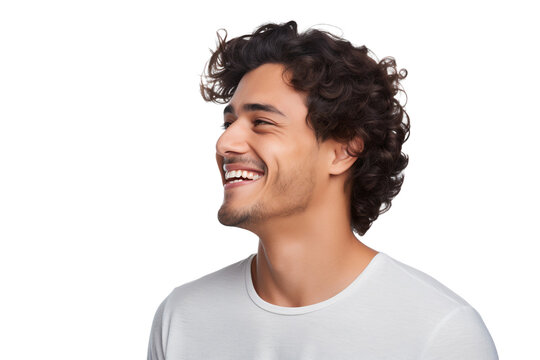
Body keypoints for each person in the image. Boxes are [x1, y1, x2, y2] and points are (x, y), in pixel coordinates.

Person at [147, 20, 498, 359]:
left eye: (262, 123)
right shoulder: (181, 319)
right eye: (228, 123)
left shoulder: (439, 333)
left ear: (343, 151)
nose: (225, 142)